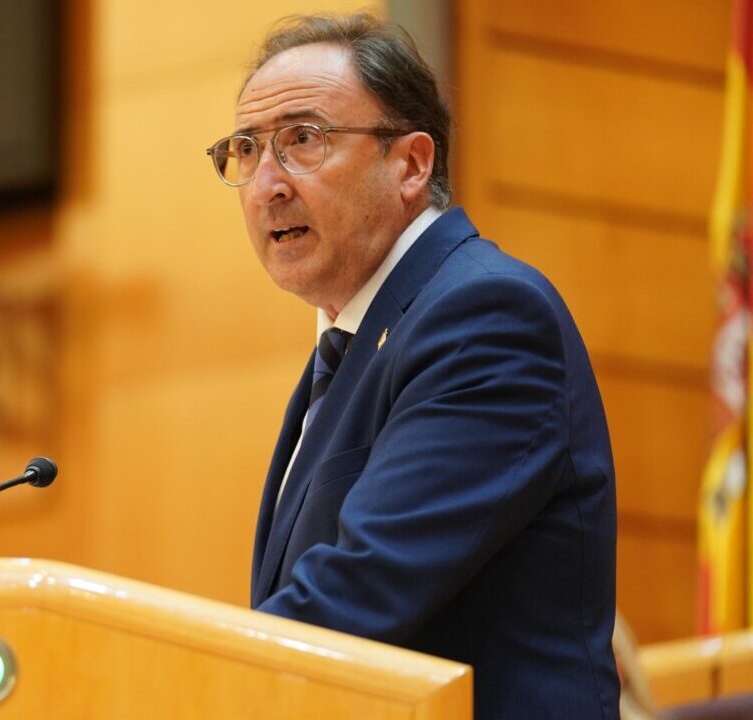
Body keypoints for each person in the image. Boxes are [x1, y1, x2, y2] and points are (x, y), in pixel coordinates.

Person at [207, 14, 620, 720]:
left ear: (412, 164)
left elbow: (364, 586)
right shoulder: (354, 342)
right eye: (246, 150)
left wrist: (185, 691)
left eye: (302, 141)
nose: (266, 184)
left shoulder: (484, 316)